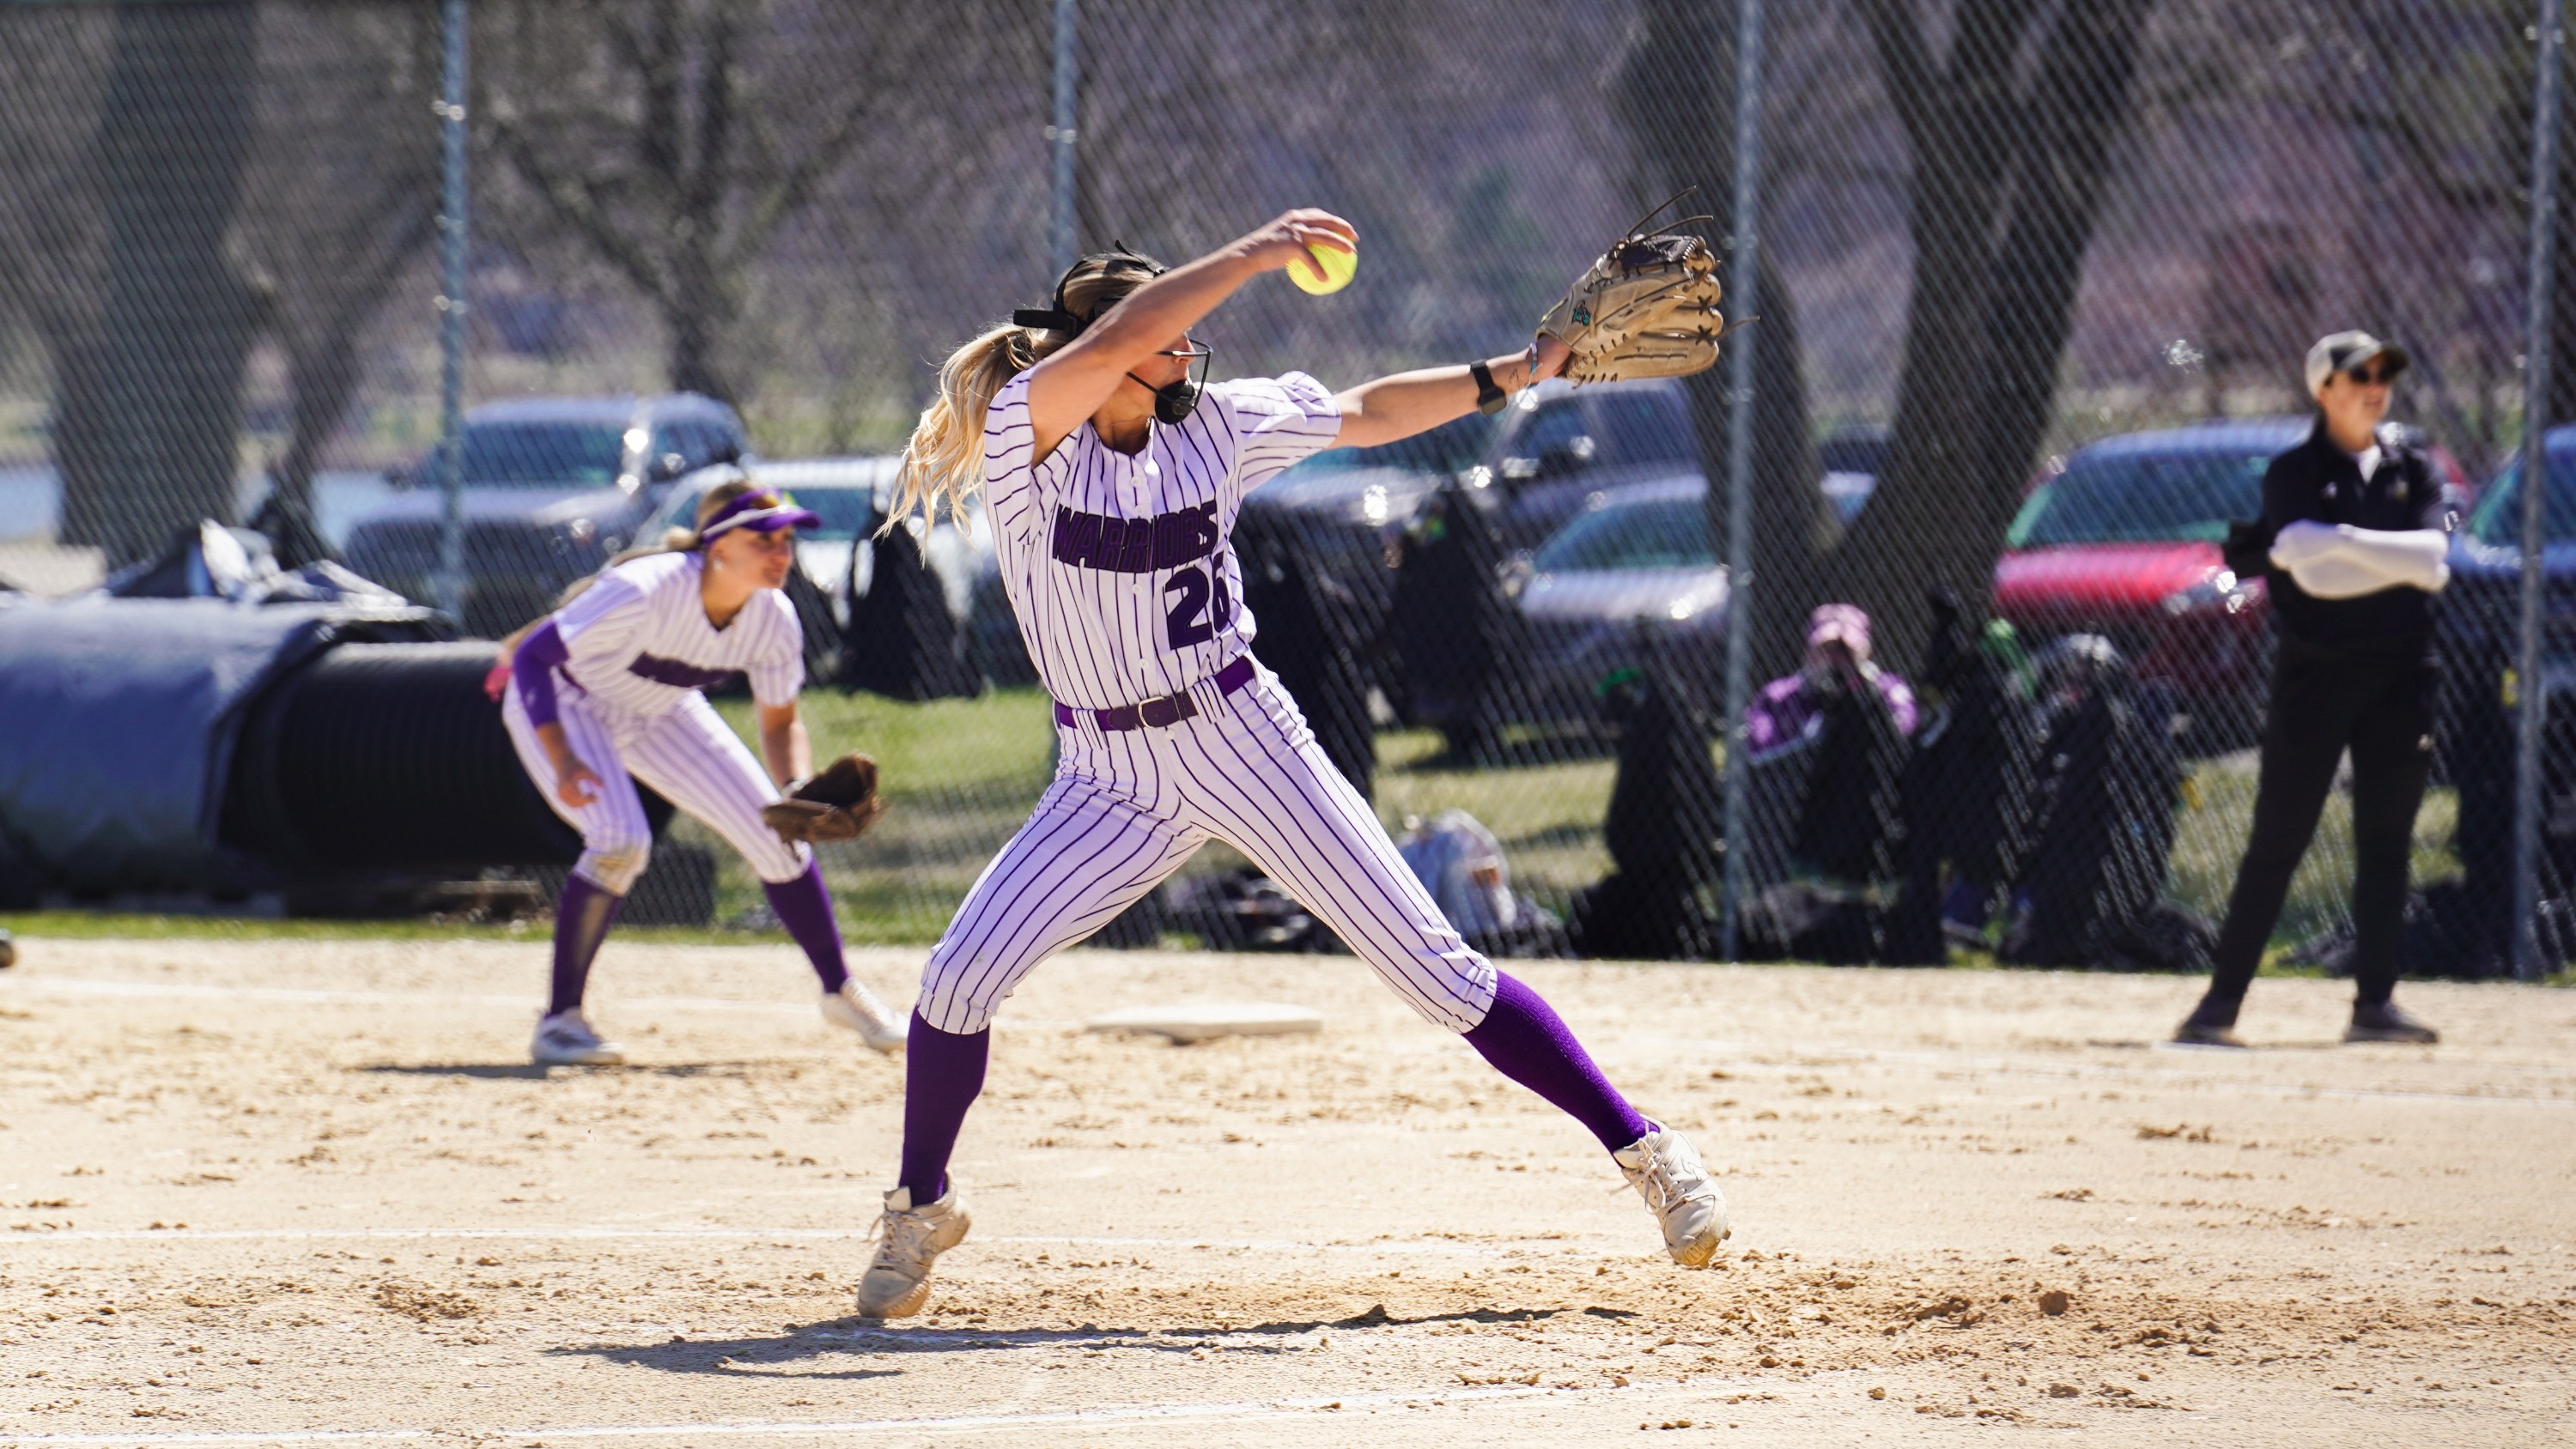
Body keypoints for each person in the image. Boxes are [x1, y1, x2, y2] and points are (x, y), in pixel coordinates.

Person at [854, 215, 1728, 1319]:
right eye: (1161, 336)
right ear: (1111, 344)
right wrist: (1255, 252)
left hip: (1243, 736)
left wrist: (1515, 371)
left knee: (1443, 976)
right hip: (1105, 775)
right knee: (956, 980)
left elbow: (1367, 413)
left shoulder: (1215, 426)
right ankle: (918, 1204)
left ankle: (1647, 1150)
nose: (1185, 353)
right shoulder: (1035, 439)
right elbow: (1134, 329)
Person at [495, 479, 908, 1066]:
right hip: (568, 704)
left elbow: (780, 722)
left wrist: (795, 788)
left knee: (779, 837)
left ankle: (841, 991)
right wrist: (562, 758)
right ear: (717, 546)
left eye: (787, 539)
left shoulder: (773, 618)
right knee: (620, 840)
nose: (781, 553)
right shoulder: (647, 588)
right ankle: (560, 1021)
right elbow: (533, 657)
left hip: (661, 707)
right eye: (764, 538)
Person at [2176, 332, 2454, 1047]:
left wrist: (2339, 543)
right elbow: (2312, 574)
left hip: (2403, 676)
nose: (2376, 384)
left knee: (2387, 840)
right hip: (2316, 675)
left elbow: (2432, 562)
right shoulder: (2294, 471)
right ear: (2322, 389)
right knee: (2279, 837)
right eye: (2359, 373)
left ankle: (2375, 1005)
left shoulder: (2414, 470)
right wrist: (2370, 557)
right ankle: (2219, 1008)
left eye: (2385, 372)